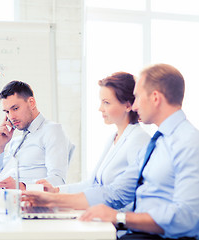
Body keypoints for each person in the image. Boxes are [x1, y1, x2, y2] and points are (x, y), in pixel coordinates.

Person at [23, 64, 199, 239]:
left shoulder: (188, 142)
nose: (135, 106)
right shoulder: (158, 142)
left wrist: (119, 218)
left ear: (155, 98)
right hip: (139, 233)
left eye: (137, 97)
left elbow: (188, 218)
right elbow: (116, 192)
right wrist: (51, 199)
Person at [37, 72, 150, 197]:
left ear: (128, 105)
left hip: (117, 214)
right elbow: (93, 184)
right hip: (102, 210)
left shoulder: (138, 140)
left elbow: (136, 193)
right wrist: (56, 191)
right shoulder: (113, 138)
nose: (100, 108)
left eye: (106, 102)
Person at [0, 80, 74, 189]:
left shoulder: (52, 131)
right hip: (2, 199)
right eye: (7, 112)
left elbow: (58, 180)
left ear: (31, 103)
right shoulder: (15, 142)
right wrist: (0, 147)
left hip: (27, 201)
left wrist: (22, 187)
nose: (11, 117)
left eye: (15, 108)